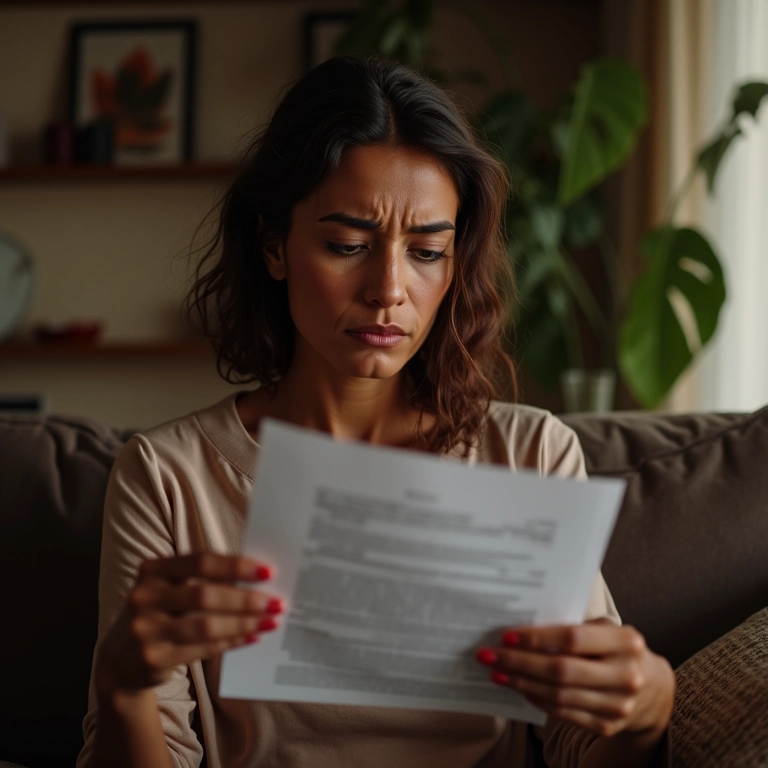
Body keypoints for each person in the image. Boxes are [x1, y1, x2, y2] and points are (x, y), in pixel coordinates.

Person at [77, 56, 675, 768]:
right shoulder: (170, 474)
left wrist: (648, 708)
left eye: (427, 251)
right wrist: (122, 688)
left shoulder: (530, 456)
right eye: (348, 245)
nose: (389, 288)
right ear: (275, 246)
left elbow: (585, 743)